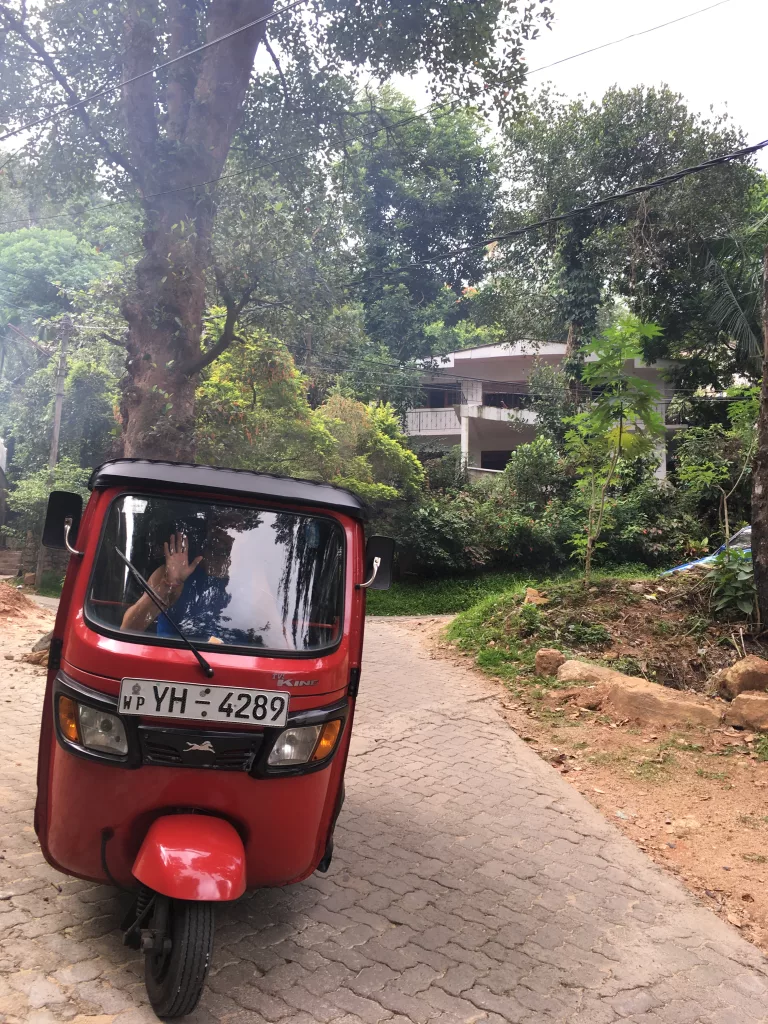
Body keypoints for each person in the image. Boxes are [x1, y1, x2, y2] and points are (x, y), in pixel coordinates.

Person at [120, 518, 286, 647]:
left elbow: (276, 638)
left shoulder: (253, 576)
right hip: (172, 665)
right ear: (208, 527)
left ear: (247, 535)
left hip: (234, 669)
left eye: (234, 525)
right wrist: (169, 584)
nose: (224, 530)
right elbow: (128, 630)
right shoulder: (170, 572)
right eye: (218, 522)